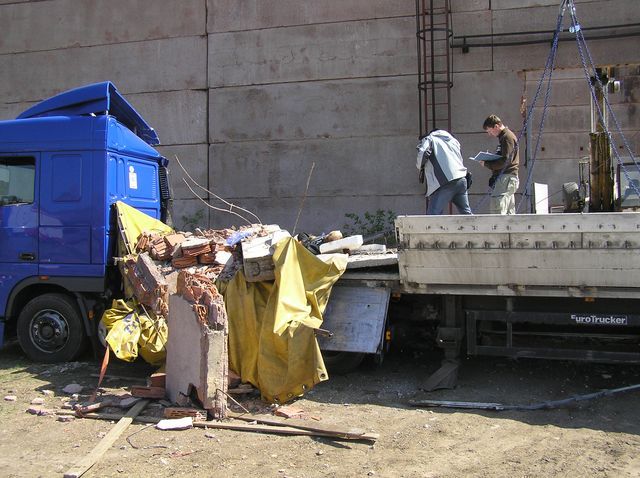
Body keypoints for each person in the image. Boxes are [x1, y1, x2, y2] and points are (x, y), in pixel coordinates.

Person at [416, 129, 472, 215]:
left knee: (433, 215)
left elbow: (423, 153)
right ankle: (474, 228)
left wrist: (420, 166)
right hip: (461, 179)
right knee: (466, 214)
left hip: (444, 182)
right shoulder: (454, 141)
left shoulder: (430, 139)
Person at [481, 114, 520, 214]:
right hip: (508, 178)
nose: (490, 134)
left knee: (498, 208)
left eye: (490, 131)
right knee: (508, 212)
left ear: (496, 126)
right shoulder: (505, 137)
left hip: (505, 178)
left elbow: (505, 161)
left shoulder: (507, 137)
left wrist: (487, 164)